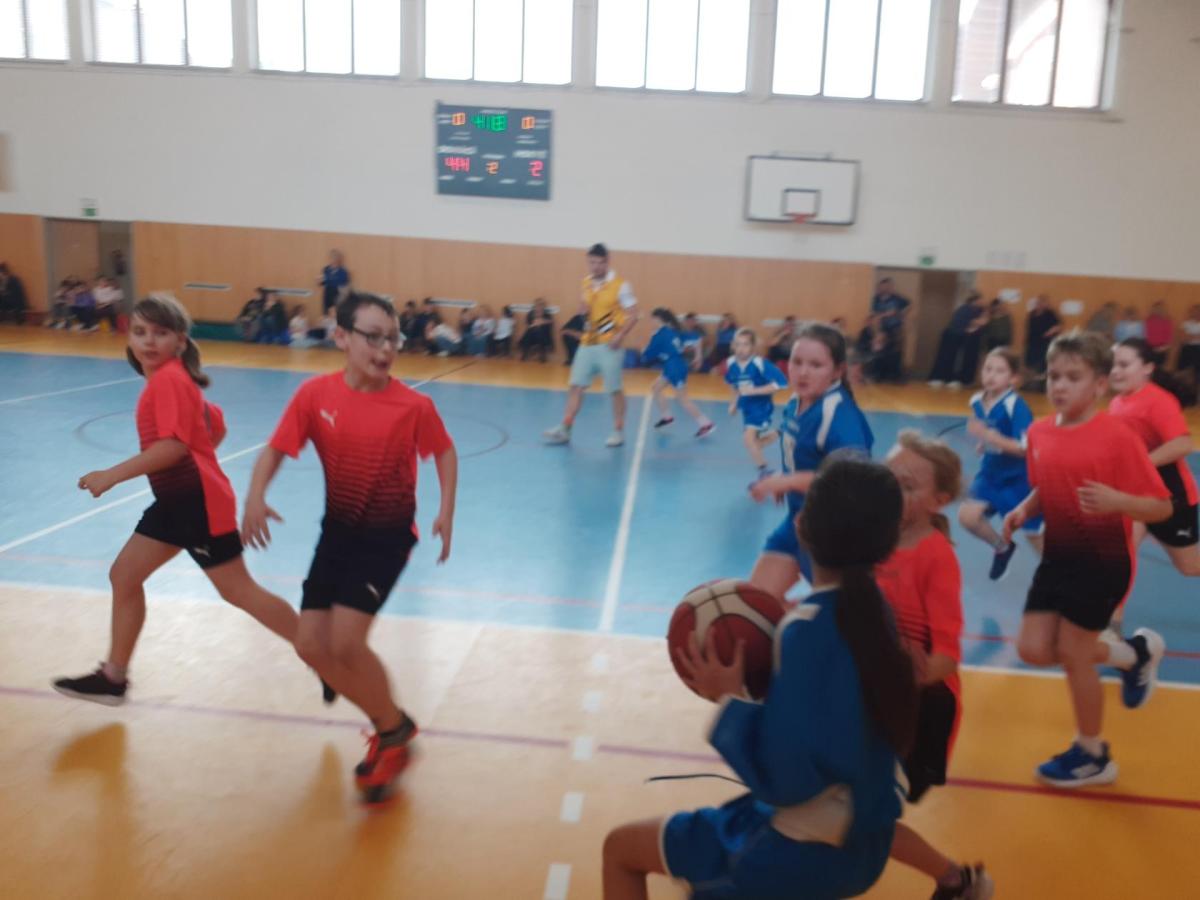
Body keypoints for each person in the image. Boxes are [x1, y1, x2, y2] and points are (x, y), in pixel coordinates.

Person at [602, 455, 918, 900]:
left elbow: (785, 781)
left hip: (797, 852)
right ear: (891, 539)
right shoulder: (876, 614)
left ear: (801, 526)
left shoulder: (803, 630)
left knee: (620, 850)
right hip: (865, 844)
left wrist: (729, 699)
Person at [241, 292, 457, 802]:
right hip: (337, 532)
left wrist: (445, 510)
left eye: (393, 339)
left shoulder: (413, 406)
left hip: (385, 538)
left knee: (344, 643)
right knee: (310, 645)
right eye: (373, 337)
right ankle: (392, 724)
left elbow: (445, 452)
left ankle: (392, 734)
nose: (386, 349)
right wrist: (254, 496)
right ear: (341, 337)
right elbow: (276, 449)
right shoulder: (315, 395)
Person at [52, 295, 301, 705]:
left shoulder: (168, 380)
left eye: (160, 332)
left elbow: (172, 448)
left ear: (180, 341)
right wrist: (200, 450)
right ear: (129, 338)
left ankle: (320, 649)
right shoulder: (171, 379)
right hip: (175, 503)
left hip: (196, 503)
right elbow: (215, 423)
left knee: (238, 591)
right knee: (125, 576)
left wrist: (111, 475)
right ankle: (113, 677)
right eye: (140, 332)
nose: (149, 341)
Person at [1002, 331, 1170, 787]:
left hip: (1102, 561)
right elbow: (1047, 482)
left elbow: (1160, 506)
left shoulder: (1117, 438)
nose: (1060, 385)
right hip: (1058, 558)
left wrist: (1119, 501)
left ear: (1099, 384)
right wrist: (1024, 509)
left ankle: (1093, 754)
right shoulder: (1039, 432)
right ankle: (1133, 655)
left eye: (1073, 377)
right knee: (1034, 649)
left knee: (1075, 656)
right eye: (1054, 376)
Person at [877, 431, 995, 900]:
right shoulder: (871, 539)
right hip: (873, 697)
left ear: (939, 501)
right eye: (888, 479)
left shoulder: (935, 556)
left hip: (920, 711)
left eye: (907, 486)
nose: (892, 491)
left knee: (862, 817)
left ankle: (958, 881)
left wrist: (900, 673)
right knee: (835, 806)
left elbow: (945, 658)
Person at [749, 323, 872, 597]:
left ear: (837, 371)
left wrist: (787, 481)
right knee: (754, 606)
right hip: (797, 522)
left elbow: (849, 483)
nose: (803, 372)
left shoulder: (839, 416)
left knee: (834, 615)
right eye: (797, 362)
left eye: (816, 365)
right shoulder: (796, 401)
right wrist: (787, 481)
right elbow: (801, 453)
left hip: (831, 535)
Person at [1108, 339, 1200, 608]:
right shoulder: (1117, 403)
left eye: (1124, 364)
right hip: (1136, 496)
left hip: (1172, 499)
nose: (1115, 371)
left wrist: (1141, 463)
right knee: (1120, 558)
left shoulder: (1159, 401)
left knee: (1190, 567)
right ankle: (1111, 625)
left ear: (1147, 367)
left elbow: (1182, 444)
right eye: (1113, 364)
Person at [958, 348, 1042, 580]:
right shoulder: (977, 401)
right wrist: (984, 443)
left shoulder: (1016, 406)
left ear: (1013, 379)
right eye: (988, 369)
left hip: (1018, 480)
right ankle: (1003, 548)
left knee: (1033, 535)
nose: (991, 375)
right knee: (967, 516)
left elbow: (1024, 449)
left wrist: (989, 437)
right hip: (990, 474)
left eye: (999, 371)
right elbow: (989, 431)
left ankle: (1061, 577)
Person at [543, 244, 639, 448]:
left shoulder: (620, 285)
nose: (595, 267)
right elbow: (586, 310)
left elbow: (633, 314)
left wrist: (620, 335)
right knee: (576, 386)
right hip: (587, 343)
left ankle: (618, 430)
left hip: (610, 346)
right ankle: (565, 428)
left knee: (614, 389)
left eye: (599, 263)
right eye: (591, 262)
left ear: (607, 262)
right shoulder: (586, 282)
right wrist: (583, 311)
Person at [641, 308, 714, 438]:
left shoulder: (659, 335)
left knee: (683, 399)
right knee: (656, 388)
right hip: (673, 366)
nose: (651, 322)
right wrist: (698, 357)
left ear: (658, 319)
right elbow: (697, 338)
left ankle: (706, 424)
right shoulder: (676, 331)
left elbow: (647, 356)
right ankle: (667, 417)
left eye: (652, 319)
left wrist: (644, 352)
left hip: (674, 368)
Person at [724, 328, 788, 476]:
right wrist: (733, 403)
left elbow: (781, 383)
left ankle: (764, 470)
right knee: (754, 444)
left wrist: (754, 391)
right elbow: (734, 385)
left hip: (761, 407)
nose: (741, 349)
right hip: (746, 408)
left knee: (748, 439)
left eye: (745, 344)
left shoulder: (760, 363)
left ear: (752, 347)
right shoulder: (731, 363)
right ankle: (780, 432)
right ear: (733, 345)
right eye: (738, 344)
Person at [928, 293, 987, 389]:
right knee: (947, 357)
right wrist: (977, 322)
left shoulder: (979, 310)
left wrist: (981, 319)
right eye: (981, 300)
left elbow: (982, 322)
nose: (983, 302)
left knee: (959, 359)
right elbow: (973, 323)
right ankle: (940, 378)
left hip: (964, 338)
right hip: (953, 336)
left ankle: (956, 380)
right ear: (975, 300)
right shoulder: (965, 308)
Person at [870, 278, 911, 382]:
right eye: (882, 286)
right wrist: (884, 316)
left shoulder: (897, 299)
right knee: (880, 352)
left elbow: (908, 305)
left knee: (895, 352)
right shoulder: (876, 299)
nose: (885, 288)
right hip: (882, 329)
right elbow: (874, 315)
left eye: (887, 286)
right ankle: (879, 375)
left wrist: (901, 314)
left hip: (895, 329)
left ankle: (894, 375)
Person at [1023, 295, 1062, 382]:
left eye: (1042, 303)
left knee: (1043, 360)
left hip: (1045, 342)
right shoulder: (1032, 313)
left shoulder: (1050, 314)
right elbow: (1029, 327)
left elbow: (1058, 326)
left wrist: (1049, 332)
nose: (1040, 305)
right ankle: (1031, 378)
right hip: (1033, 341)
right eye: (1038, 303)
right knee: (1030, 361)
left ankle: (1041, 378)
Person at [319, 250, 350, 314]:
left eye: (335, 258)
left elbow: (342, 283)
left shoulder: (343, 271)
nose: (333, 261)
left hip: (337, 297)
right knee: (326, 315)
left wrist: (328, 279)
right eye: (331, 258)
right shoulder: (326, 269)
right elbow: (324, 283)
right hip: (327, 296)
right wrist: (320, 281)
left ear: (338, 260)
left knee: (336, 315)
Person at [1144, 301, 1174, 366]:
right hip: (1149, 348)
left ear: (1163, 310)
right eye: (1156, 309)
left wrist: (1162, 348)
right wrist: (1148, 347)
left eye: (1160, 309)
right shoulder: (1148, 320)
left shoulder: (1167, 321)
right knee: (1148, 366)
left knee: (1159, 367)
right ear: (1153, 310)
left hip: (1162, 348)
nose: (1158, 311)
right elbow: (1145, 335)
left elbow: (1169, 338)